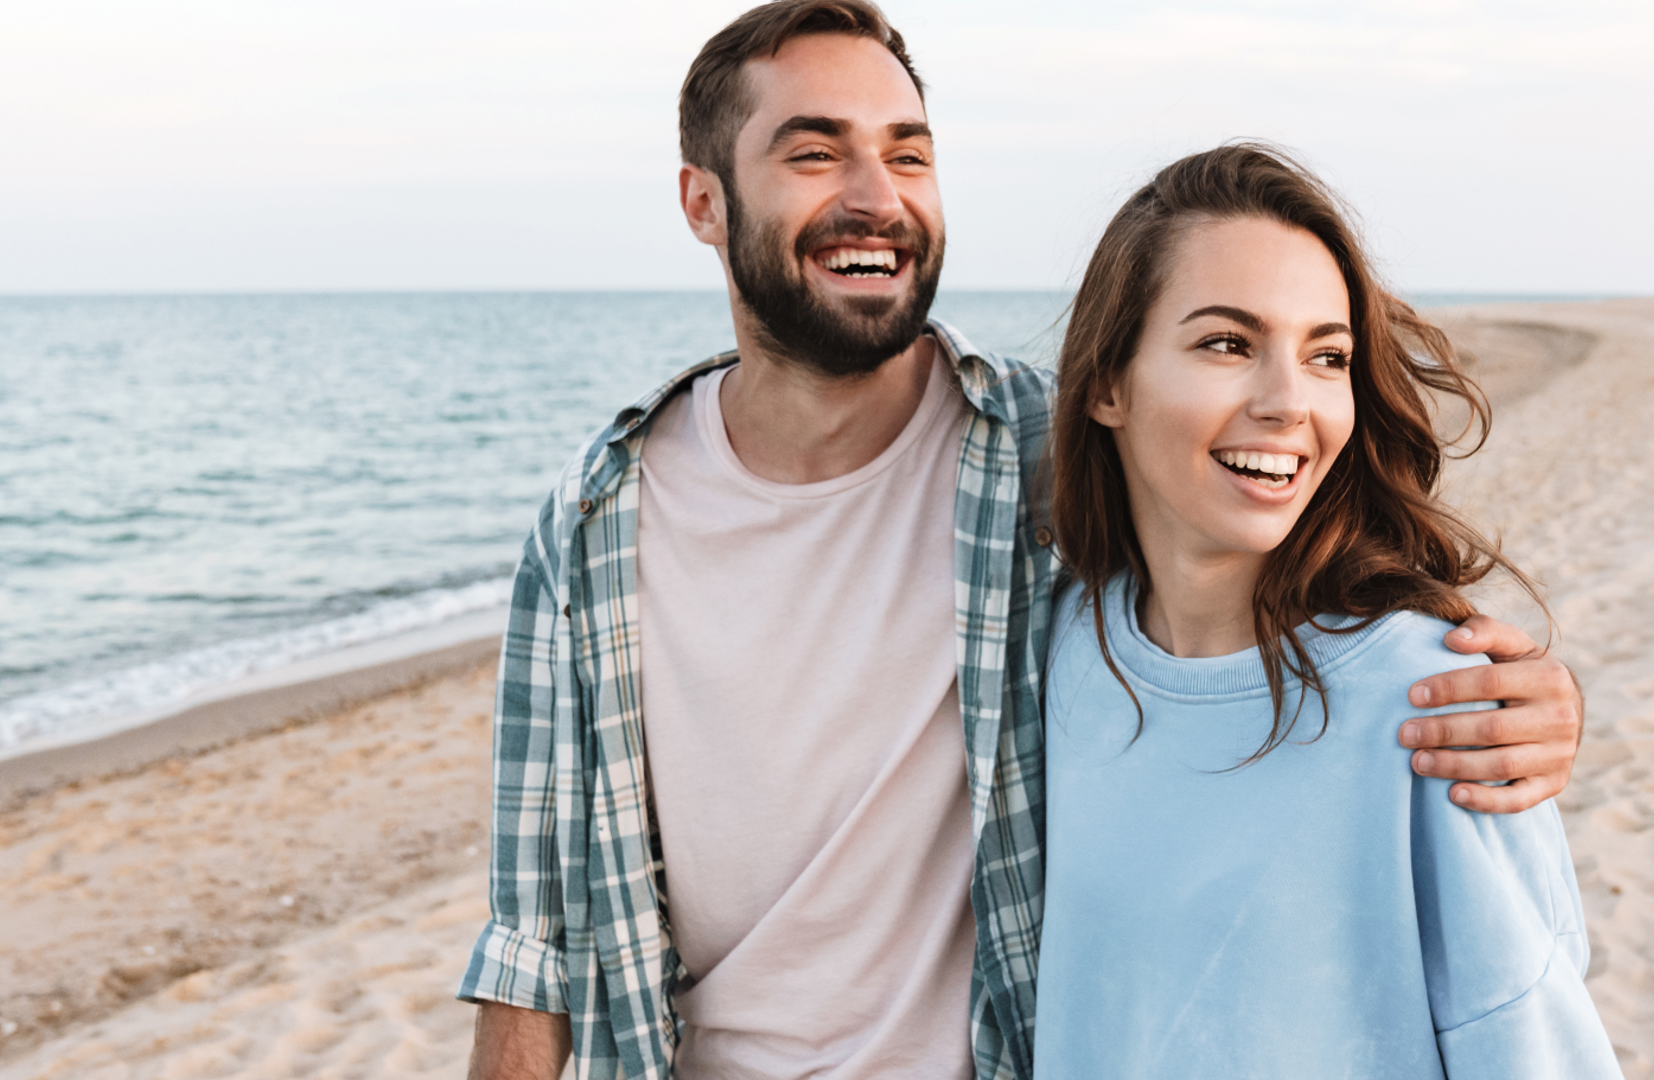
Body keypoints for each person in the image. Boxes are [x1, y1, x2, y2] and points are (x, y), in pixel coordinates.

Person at [457, 3, 1588, 1078]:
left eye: (908, 154)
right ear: (703, 202)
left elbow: (1265, 550)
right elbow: (535, 933)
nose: (877, 197)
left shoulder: (1043, 455)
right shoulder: (599, 519)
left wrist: (1526, 693)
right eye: (815, 153)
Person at [1034, 143, 1618, 1078]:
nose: (1288, 403)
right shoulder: (1056, 643)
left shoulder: (1437, 705)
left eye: (1327, 356)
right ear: (1107, 384)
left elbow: (1532, 1049)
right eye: (1228, 344)